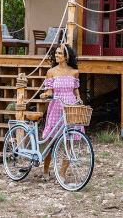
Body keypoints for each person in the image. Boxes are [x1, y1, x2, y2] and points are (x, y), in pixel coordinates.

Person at [38, 44, 83, 181]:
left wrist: (79, 98)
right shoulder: (51, 72)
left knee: (69, 141)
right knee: (51, 142)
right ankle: (46, 169)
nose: (56, 55)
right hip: (56, 106)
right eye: (55, 53)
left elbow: (76, 90)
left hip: (70, 107)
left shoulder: (74, 72)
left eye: (59, 53)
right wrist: (46, 94)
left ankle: (61, 174)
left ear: (66, 56)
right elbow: (49, 90)